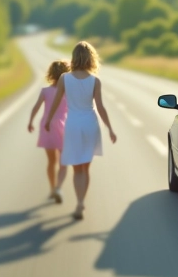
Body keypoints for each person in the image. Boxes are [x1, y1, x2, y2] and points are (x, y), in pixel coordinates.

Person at [45, 41, 117, 220]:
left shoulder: (64, 79)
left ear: (74, 58)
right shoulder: (95, 81)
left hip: (73, 125)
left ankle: (78, 202)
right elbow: (100, 107)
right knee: (86, 168)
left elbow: (56, 101)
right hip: (90, 124)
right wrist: (110, 128)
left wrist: (49, 119)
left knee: (77, 169)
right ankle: (80, 203)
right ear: (91, 58)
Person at [27, 60, 71, 203]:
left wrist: (30, 121)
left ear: (50, 74)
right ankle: (58, 187)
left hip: (47, 126)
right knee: (64, 161)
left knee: (51, 161)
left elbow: (36, 107)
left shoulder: (45, 91)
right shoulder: (67, 92)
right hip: (63, 126)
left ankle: (52, 189)